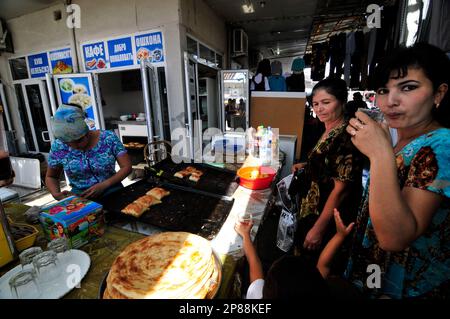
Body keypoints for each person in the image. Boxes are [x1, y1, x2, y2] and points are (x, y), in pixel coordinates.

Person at [344, 42, 450, 299]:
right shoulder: (398, 137)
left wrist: (379, 153)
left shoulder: (442, 143)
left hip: (410, 288)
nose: (390, 101)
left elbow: (394, 238)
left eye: (408, 88)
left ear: (438, 94)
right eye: (383, 90)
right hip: (375, 272)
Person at [291, 78, 364, 272]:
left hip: (328, 214)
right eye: (315, 104)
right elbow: (329, 164)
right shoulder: (328, 129)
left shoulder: (346, 136)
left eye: (326, 102)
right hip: (313, 207)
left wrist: (318, 229)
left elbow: (341, 190)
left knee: (318, 266)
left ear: (341, 101)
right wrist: (307, 165)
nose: (319, 109)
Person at [235, 208, 355, 299]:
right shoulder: (314, 290)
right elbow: (323, 265)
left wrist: (245, 235)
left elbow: (253, 263)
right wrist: (340, 236)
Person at [45, 104, 132, 200]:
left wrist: (104, 185)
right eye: (69, 144)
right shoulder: (58, 147)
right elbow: (51, 177)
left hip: (113, 192)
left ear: (86, 132)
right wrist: (56, 193)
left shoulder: (108, 138)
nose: (76, 146)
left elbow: (126, 167)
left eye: (79, 141)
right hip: (79, 199)